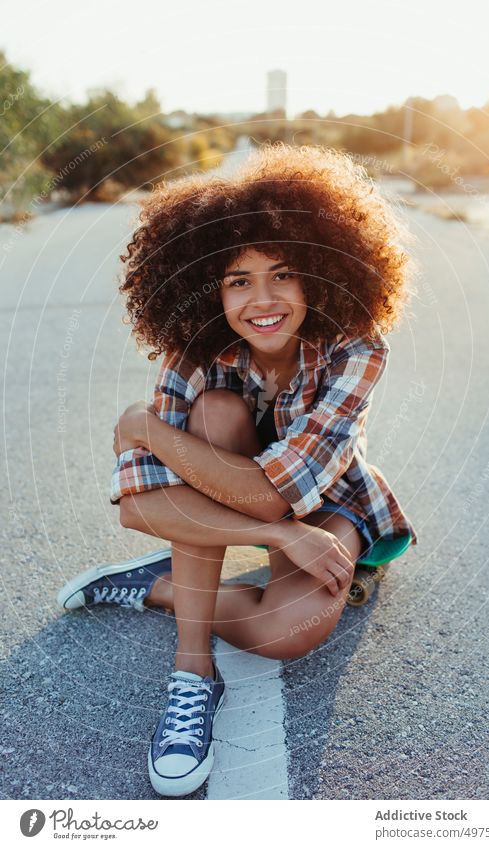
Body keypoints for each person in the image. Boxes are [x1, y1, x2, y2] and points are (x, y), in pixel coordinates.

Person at [57, 143, 419, 798]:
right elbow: (139, 503)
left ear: (319, 270)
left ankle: (163, 587)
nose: (263, 300)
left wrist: (146, 428)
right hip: (256, 502)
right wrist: (281, 538)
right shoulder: (194, 348)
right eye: (237, 280)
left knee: (287, 633)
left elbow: (269, 494)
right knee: (216, 410)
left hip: (325, 499)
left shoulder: (355, 346)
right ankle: (192, 672)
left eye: (283, 273)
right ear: (207, 289)